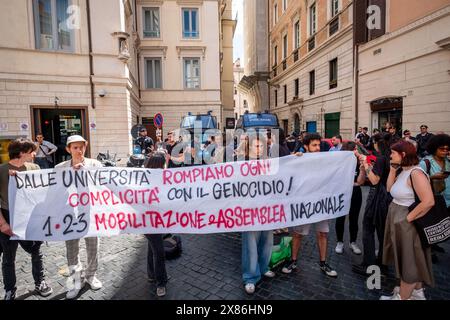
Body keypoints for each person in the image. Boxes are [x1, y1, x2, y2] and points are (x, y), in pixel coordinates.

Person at [380, 140, 435, 300]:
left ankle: (402, 297)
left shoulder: (416, 173)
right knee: (408, 258)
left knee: (408, 262)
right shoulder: (404, 170)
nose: (390, 155)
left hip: (408, 221)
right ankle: (417, 293)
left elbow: (428, 201)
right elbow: (390, 189)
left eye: (393, 153)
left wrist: (407, 219)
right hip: (398, 217)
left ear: (403, 155)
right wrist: (391, 170)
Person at [0, 138, 53, 300]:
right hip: (8, 216)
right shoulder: (1, 170)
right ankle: (10, 289)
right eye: (31, 151)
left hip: (30, 217)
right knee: (9, 257)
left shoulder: (34, 168)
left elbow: (42, 192)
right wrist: (2, 223)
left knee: (36, 251)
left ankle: (40, 282)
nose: (34, 153)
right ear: (22, 153)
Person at [281, 133, 338, 278]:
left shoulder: (324, 160)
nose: (318, 148)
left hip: (320, 203)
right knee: (298, 234)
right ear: (306, 146)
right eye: (314, 145)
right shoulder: (299, 159)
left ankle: (323, 263)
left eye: (319, 145)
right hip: (304, 204)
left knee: (323, 234)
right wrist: (294, 158)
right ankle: (293, 261)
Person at [55, 135, 103, 299]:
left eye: (81, 147)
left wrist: (87, 172)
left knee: (93, 247)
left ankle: (91, 276)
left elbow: (103, 186)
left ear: (86, 146)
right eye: (75, 148)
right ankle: (76, 281)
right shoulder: (60, 167)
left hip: (90, 213)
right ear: (68, 149)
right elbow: (54, 191)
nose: (79, 150)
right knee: (72, 250)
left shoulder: (95, 164)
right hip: (70, 216)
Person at [352, 133, 391, 276]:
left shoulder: (380, 159)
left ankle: (369, 264)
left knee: (368, 229)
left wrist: (366, 165)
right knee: (382, 233)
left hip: (377, 197)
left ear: (376, 143)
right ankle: (383, 264)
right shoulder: (389, 157)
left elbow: (374, 180)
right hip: (387, 197)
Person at [242, 135, 275, 294]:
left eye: (261, 146)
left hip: (267, 210)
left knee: (267, 241)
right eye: (255, 146)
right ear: (248, 149)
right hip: (250, 211)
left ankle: (263, 267)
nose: (259, 149)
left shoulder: (271, 164)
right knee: (251, 244)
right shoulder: (241, 165)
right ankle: (250, 276)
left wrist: (295, 158)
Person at [419, 134, 450, 261]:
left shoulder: (448, 162)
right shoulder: (425, 162)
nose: (445, 151)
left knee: (442, 224)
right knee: (431, 226)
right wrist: (432, 177)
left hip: (447, 200)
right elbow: (417, 181)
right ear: (434, 148)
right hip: (432, 200)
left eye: (447, 149)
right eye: (442, 149)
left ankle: (434, 244)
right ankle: (428, 250)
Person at [144, 152, 169, 297]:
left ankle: (152, 274)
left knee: (152, 247)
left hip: (155, 220)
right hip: (147, 220)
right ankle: (161, 283)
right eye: (163, 165)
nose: (165, 168)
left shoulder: (159, 178)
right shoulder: (146, 180)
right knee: (159, 251)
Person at [335, 141, 365, 255]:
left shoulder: (358, 162)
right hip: (342, 193)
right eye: (355, 149)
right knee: (340, 218)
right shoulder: (340, 163)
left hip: (356, 193)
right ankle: (339, 242)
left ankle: (353, 242)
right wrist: (351, 183)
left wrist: (362, 168)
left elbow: (360, 182)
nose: (357, 151)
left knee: (354, 218)